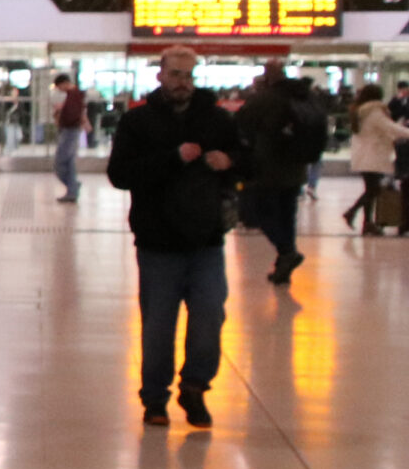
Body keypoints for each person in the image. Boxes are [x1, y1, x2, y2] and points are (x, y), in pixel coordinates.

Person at [107, 46, 242, 427]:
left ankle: (195, 386)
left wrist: (229, 162)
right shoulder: (138, 122)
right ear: (160, 76)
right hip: (158, 241)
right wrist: (173, 158)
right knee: (158, 325)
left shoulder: (217, 120)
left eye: (188, 75)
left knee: (209, 315)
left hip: (206, 239)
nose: (183, 82)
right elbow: (120, 174)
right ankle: (154, 398)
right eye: (176, 74)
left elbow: (248, 161)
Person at [236, 62, 318, 285]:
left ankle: (287, 252)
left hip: (267, 168)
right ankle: (284, 265)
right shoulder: (303, 96)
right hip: (297, 166)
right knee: (287, 216)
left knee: (257, 214)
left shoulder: (266, 98)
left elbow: (242, 122)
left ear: (268, 76)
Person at [343, 83, 409, 235]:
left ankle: (367, 223)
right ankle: (352, 212)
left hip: (364, 155)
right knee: (373, 190)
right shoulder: (374, 112)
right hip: (373, 155)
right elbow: (391, 127)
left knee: (371, 190)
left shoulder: (361, 111)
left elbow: (381, 130)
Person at [51, 70, 88, 203]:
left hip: (69, 130)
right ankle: (72, 189)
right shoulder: (74, 94)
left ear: (64, 83)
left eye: (59, 87)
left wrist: (61, 114)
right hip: (72, 130)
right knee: (69, 162)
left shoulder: (73, 95)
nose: (59, 90)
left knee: (61, 162)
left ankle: (73, 187)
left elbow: (73, 114)